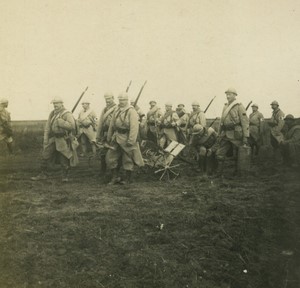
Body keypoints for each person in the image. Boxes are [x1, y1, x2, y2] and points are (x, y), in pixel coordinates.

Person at [31, 97, 78, 182]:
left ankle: (65, 177)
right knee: (45, 155)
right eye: (54, 103)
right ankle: (43, 174)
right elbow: (48, 127)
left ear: (61, 103)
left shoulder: (67, 114)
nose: (55, 105)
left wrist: (62, 123)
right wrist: (45, 139)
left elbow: (72, 126)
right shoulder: (52, 113)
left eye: (57, 103)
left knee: (64, 157)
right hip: (53, 138)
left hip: (63, 139)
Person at [106, 92, 144, 184]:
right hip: (116, 136)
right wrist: (109, 137)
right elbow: (112, 124)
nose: (121, 101)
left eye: (123, 100)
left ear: (127, 100)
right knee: (111, 157)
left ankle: (128, 179)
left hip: (126, 137)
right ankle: (115, 177)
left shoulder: (131, 111)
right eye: (120, 100)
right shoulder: (117, 110)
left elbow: (134, 127)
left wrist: (131, 140)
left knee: (128, 158)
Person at [215, 88, 249, 176]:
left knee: (238, 154)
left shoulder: (239, 106)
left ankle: (238, 172)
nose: (228, 96)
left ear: (235, 95)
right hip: (225, 133)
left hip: (236, 134)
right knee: (220, 153)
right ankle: (219, 173)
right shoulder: (225, 106)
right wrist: (219, 133)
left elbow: (245, 122)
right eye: (227, 94)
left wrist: (245, 136)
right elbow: (221, 122)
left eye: (230, 94)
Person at [96, 92, 117, 173]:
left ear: (113, 98)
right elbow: (101, 122)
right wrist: (98, 135)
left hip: (113, 134)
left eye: (109, 98)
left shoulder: (117, 108)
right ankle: (103, 171)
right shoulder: (105, 109)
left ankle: (115, 173)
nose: (107, 100)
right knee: (103, 152)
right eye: (106, 99)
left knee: (113, 153)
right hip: (105, 133)